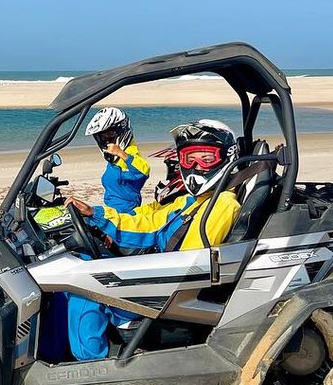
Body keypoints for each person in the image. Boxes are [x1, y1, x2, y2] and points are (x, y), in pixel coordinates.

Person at [62, 120, 243, 361]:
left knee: (83, 288)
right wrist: (97, 215)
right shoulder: (195, 200)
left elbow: (190, 266)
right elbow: (149, 221)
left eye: (206, 159)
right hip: (161, 277)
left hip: (166, 302)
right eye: (190, 159)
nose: (197, 166)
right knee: (82, 264)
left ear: (226, 157)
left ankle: (90, 369)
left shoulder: (222, 205)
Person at [84, 106, 150, 213]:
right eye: (101, 137)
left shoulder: (129, 152)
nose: (105, 140)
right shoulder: (114, 158)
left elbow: (144, 171)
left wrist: (121, 153)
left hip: (125, 213)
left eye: (109, 135)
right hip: (112, 210)